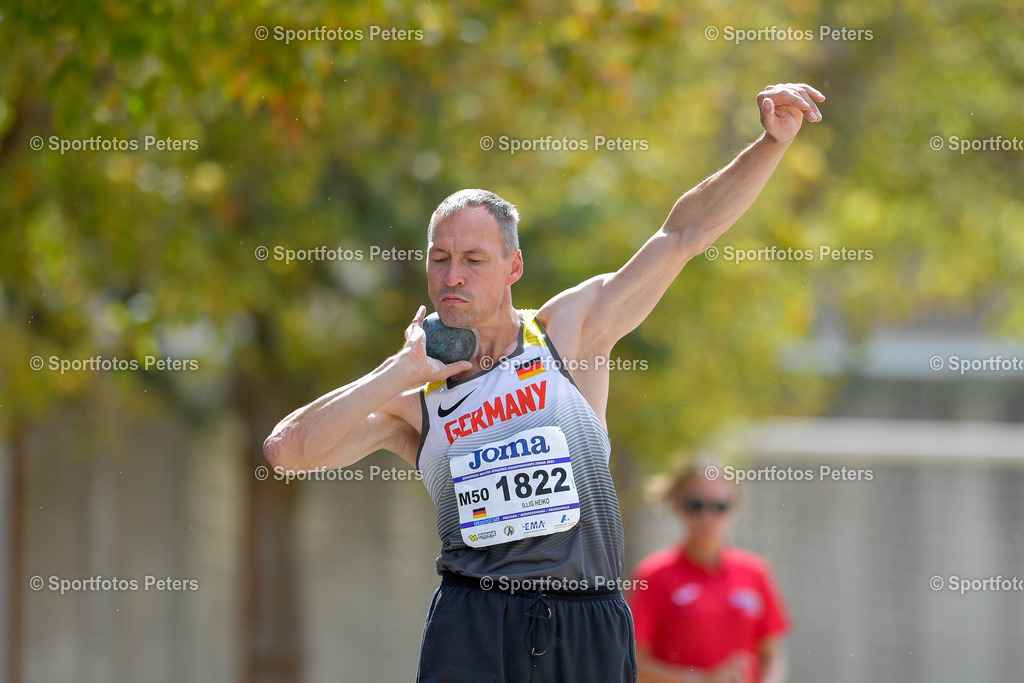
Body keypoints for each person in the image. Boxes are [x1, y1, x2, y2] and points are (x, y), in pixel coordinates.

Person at [263, 83, 823, 682]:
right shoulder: (413, 395)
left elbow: (681, 235)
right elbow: (287, 453)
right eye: (439, 258)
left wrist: (769, 145)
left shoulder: (568, 333)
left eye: (473, 260)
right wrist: (401, 369)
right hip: (473, 619)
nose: (452, 276)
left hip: (586, 622)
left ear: (513, 267)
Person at [628, 462, 790, 683]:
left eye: (719, 506)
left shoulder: (755, 572)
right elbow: (635, 662)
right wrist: (700, 679)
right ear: (677, 506)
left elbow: (773, 656)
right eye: (696, 505)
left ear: (735, 508)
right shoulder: (653, 575)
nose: (707, 516)